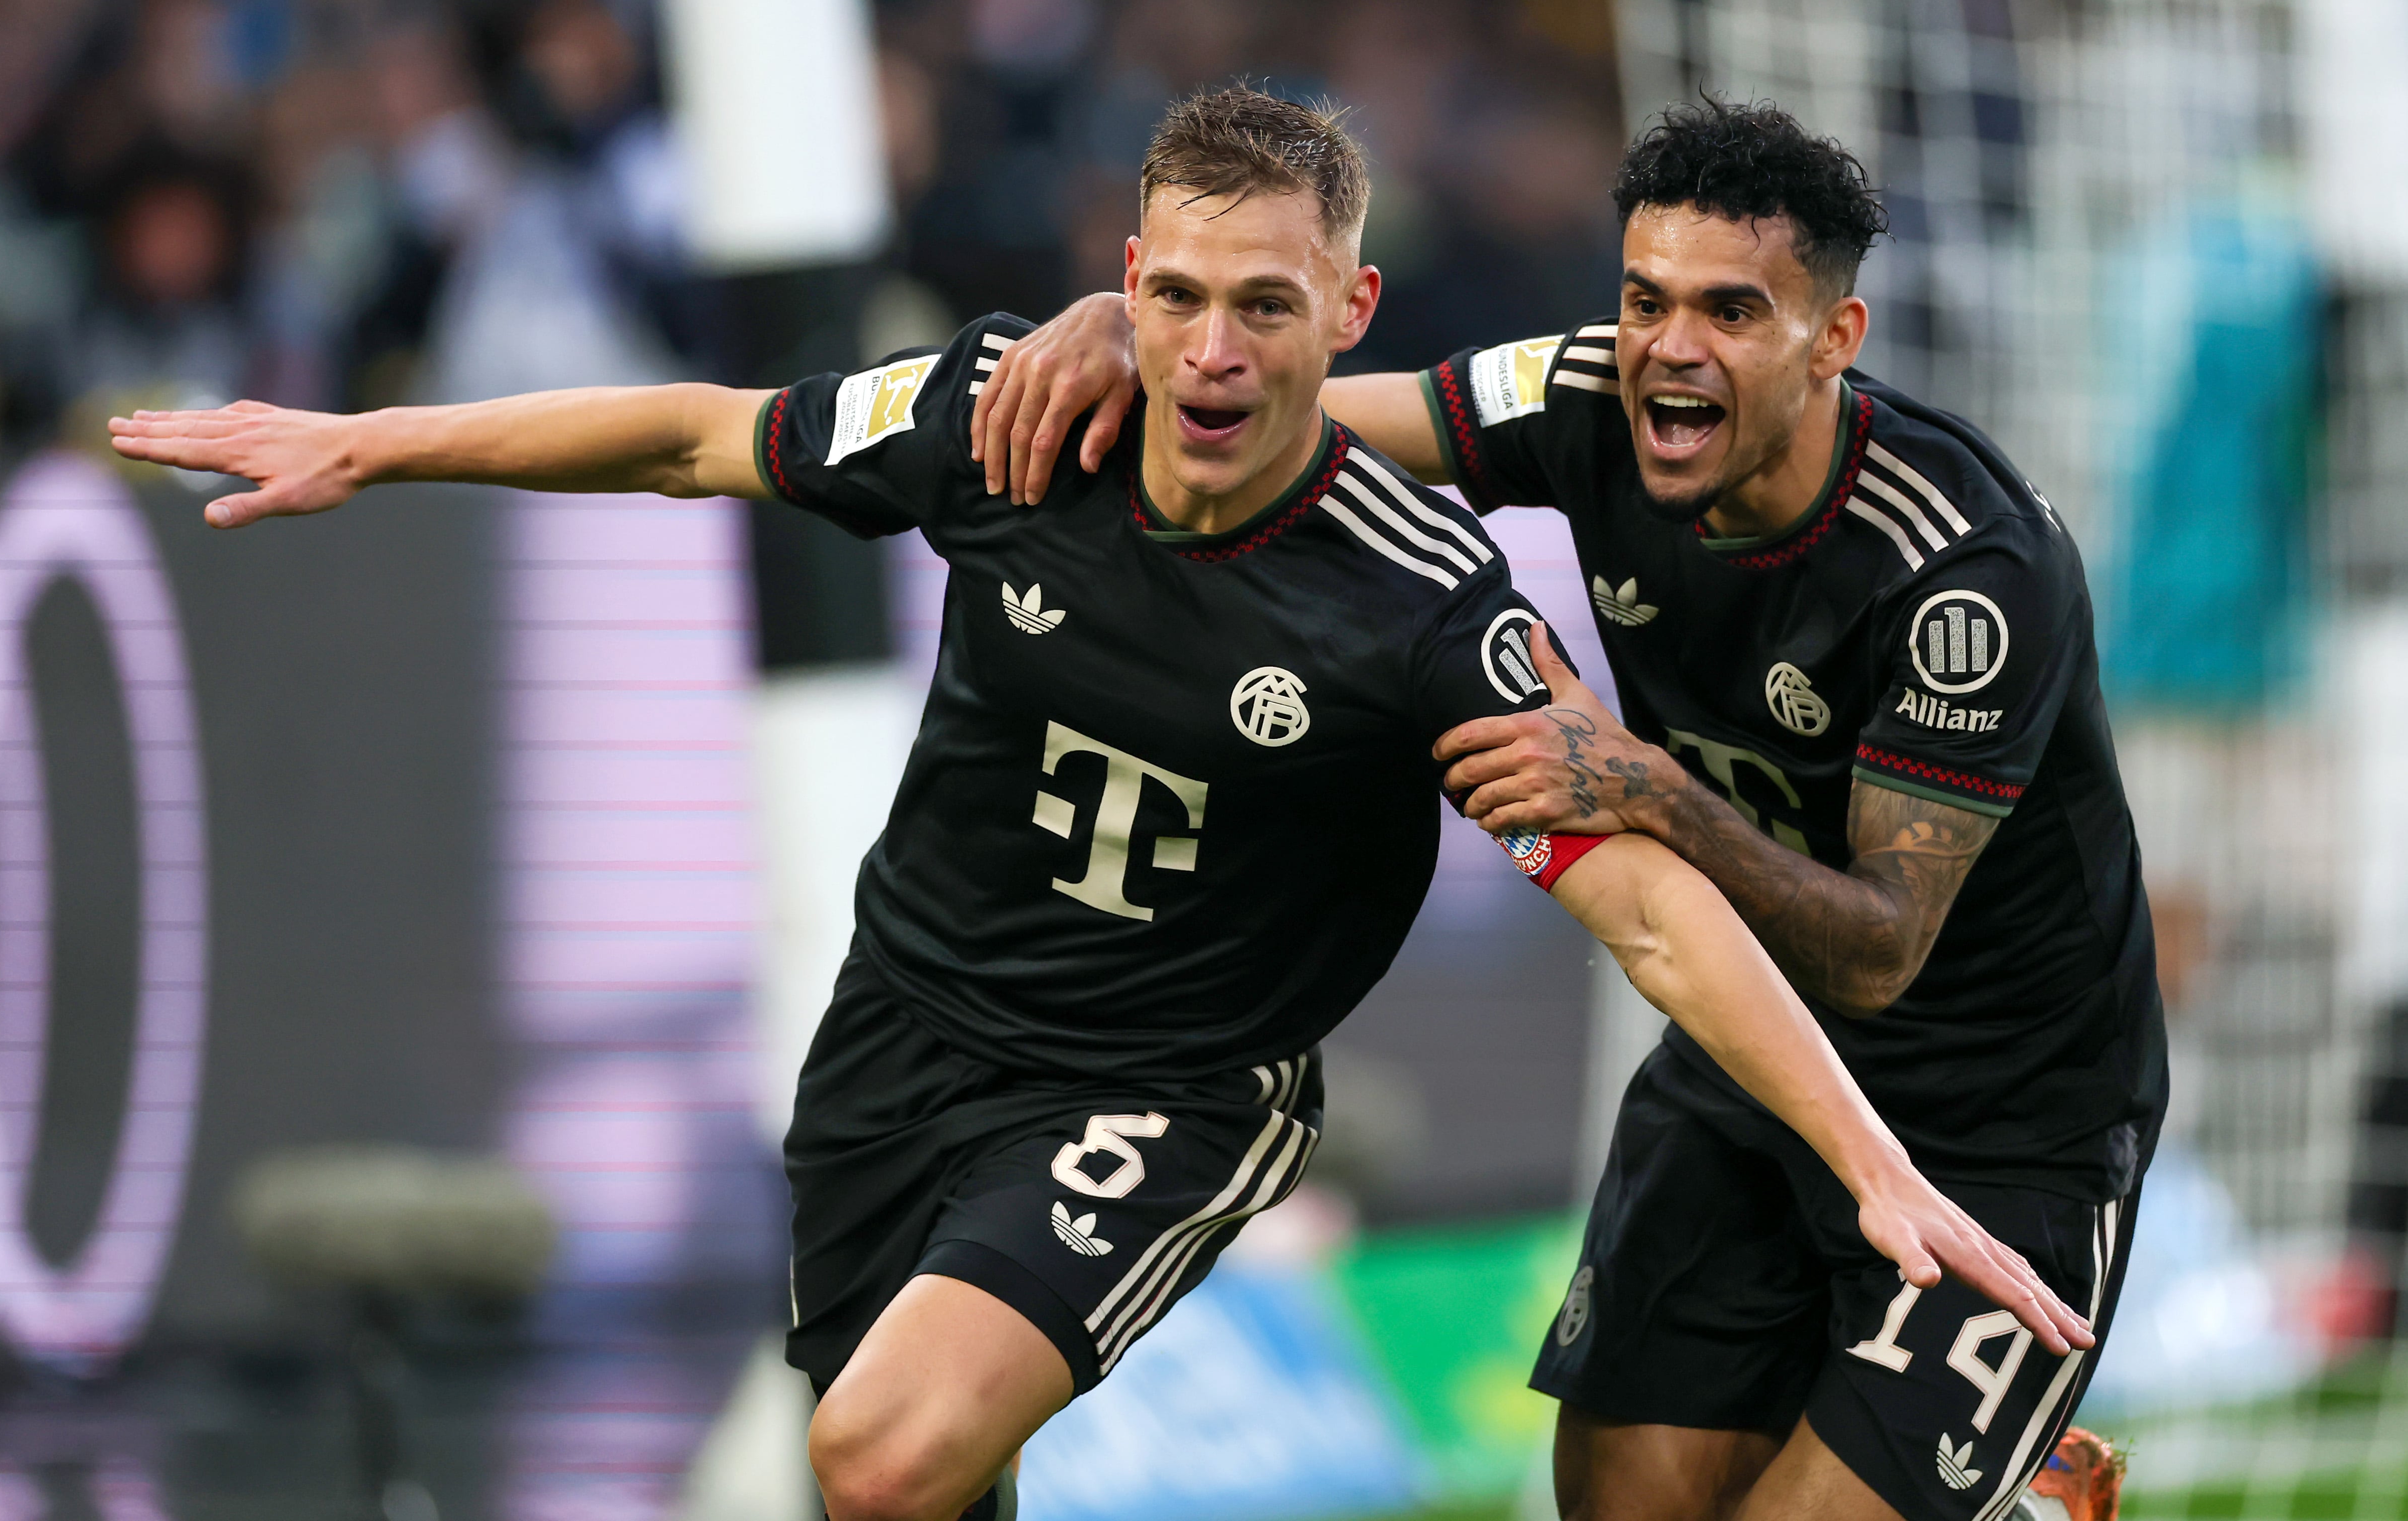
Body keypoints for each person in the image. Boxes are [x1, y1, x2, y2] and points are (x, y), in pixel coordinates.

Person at [113, 88, 2088, 1521]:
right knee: (914, 1484)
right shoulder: (1007, 424)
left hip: (1165, 1087)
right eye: (1180, 296)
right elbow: (699, 436)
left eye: (1268, 307)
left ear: (1350, 312)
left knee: (872, 1455)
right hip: (902, 1043)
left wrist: (1872, 1167)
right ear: (1125, 288)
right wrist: (379, 438)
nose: (1214, 352)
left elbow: (1650, 908)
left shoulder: (1426, 607)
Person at [975, 97, 2161, 1521]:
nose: (1669, 346)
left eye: (1732, 311)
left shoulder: (1965, 571)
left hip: (2000, 1124)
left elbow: (1880, 948)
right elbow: (1292, 415)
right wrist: (1146, 345)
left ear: (1832, 341)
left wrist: (1652, 786)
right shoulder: (1589, 397)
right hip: (1746, 1069)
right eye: (1646, 298)